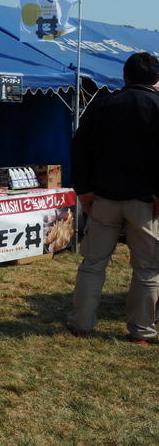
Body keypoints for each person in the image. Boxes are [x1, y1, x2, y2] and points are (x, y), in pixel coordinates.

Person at [67, 52, 159, 344]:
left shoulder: (103, 105)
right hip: (146, 202)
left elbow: (80, 148)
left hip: (103, 198)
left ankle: (81, 324)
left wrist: (83, 190)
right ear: (156, 79)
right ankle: (141, 332)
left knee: (93, 264)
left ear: (125, 76)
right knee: (147, 269)